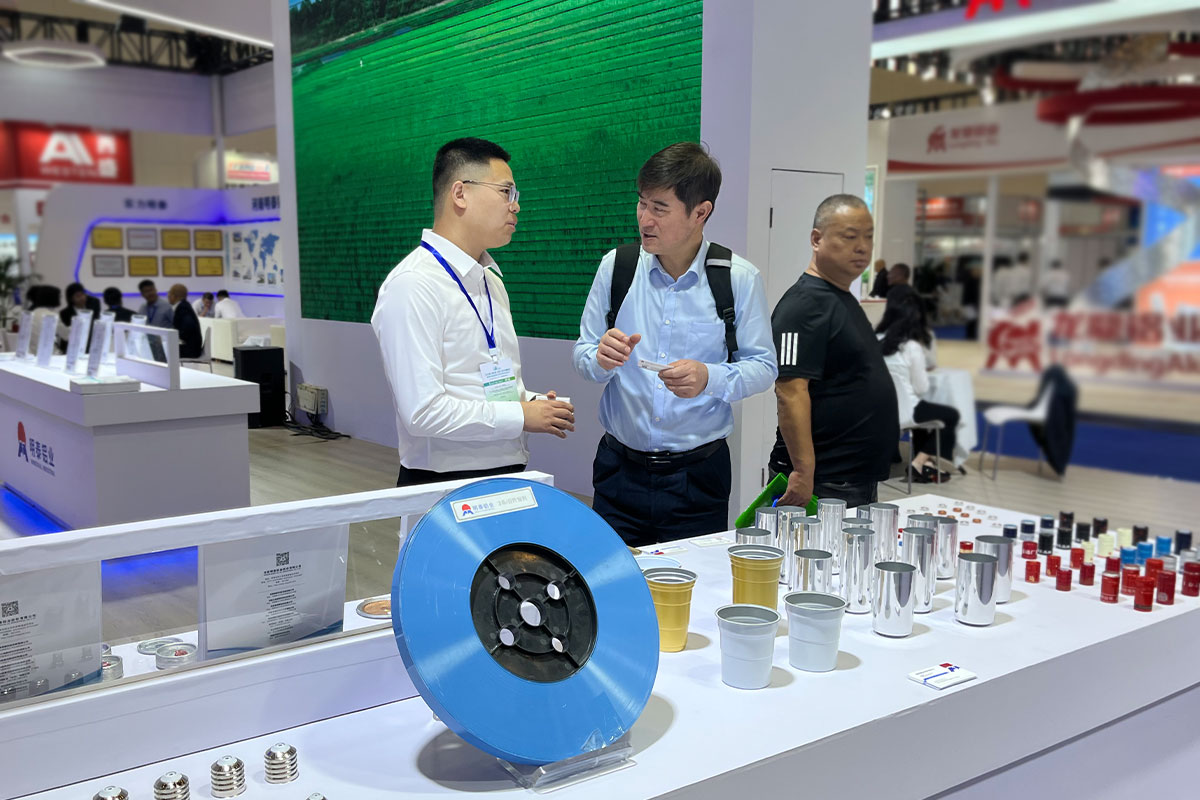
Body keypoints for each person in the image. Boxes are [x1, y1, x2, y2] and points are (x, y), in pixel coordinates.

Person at [573, 142, 777, 546]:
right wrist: (600, 359)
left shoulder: (737, 278)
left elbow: (763, 366)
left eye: (660, 208)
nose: (644, 219)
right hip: (619, 470)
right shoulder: (617, 267)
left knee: (692, 580)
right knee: (614, 577)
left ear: (700, 212)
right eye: (641, 203)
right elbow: (583, 354)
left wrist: (709, 377)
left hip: (696, 478)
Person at [371, 137, 574, 487]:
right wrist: (520, 415)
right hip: (441, 484)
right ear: (460, 193)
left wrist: (532, 403)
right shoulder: (414, 284)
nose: (516, 206)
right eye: (506, 192)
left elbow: (479, 384)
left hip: (507, 475)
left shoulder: (489, 278)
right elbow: (423, 412)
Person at [770, 194, 899, 508]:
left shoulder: (838, 297)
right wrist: (803, 471)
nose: (862, 247)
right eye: (850, 236)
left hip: (850, 479)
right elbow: (790, 391)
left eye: (868, 237)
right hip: (823, 483)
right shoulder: (803, 305)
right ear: (817, 239)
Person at [878, 291, 956, 483]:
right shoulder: (911, 347)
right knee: (951, 415)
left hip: (879, 411)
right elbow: (921, 388)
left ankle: (925, 463)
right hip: (907, 411)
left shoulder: (875, 340)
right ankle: (920, 462)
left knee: (926, 417)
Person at [57, 282, 101, 348]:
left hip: (92, 345)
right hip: (74, 346)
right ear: (71, 299)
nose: (82, 298)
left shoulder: (93, 307)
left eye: (83, 294)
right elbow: (66, 335)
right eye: (78, 296)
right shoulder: (65, 313)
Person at [167, 283, 203, 358]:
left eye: (169, 293)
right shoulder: (184, 306)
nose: (168, 296)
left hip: (190, 350)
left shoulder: (183, 309)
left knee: (161, 349)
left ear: (174, 296)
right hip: (191, 347)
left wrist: (175, 336)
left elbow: (188, 327)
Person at [25, 285, 61, 356]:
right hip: (49, 355)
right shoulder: (53, 316)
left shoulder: (29, 314)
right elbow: (67, 335)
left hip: (31, 354)